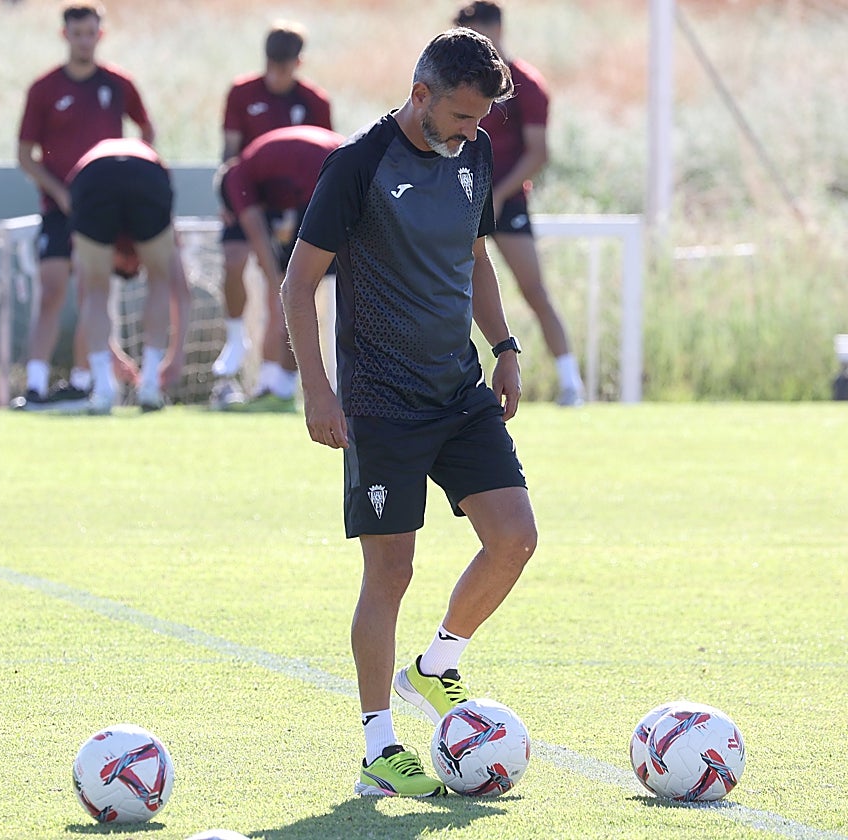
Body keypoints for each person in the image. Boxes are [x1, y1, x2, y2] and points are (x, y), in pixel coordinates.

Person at [281, 28, 537, 798]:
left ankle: (437, 664)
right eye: (461, 115)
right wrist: (317, 390)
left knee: (515, 538)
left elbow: (475, 257)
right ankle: (378, 749)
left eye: (481, 118)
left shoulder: (474, 154)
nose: (471, 131)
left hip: (459, 393)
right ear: (420, 93)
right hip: (381, 405)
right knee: (391, 572)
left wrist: (504, 345)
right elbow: (298, 284)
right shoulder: (356, 166)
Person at [14, 2, 155, 410]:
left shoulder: (118, 83)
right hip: (59, 208)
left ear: (100, 34)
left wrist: (129, 176)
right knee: (51, 289)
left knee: (93, 291)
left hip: (102, 208)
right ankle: (35, 384)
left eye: (90, 33)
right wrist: (60, 193)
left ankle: (82, 380)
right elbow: (25, 155)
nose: (83, 41)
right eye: (76, 34)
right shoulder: (44, 88)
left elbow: (146, 130)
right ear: (65, 36)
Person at [454, 1, 585, 406]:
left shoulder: (525, 83)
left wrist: (498, 194)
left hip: (506, 202)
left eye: (478, 31)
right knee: (450, 291)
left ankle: (571, 384)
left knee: (534, 290)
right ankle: (452, 384)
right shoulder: (455, 83)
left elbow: (538, 153)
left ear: (496, 28)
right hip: (460, 197)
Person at [213, 22, 333, 397]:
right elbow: (230, 155)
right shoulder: (242, 92)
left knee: (292, 288)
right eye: (272, 66)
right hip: (249, 191)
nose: (277, 75)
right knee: (238, 262)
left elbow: (325, 163)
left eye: (285, 67)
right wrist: (230, 199)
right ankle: (237, 337)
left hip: (299, 201)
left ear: (298, 63)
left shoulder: (315, 101)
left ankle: (280, 380)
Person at [216, 124, 345, 411]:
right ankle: (283, 384)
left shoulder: (236, 177)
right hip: (344, 161)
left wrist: (278, 286)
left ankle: (284, 387)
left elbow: (259, 237)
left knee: (296, 290)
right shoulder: (267, 169)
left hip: (326, 173)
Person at [66, 137, 190, 414]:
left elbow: (86, 296)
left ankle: (105, 389)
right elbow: (180, 290)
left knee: (98, 288)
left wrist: (176, 355)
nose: (136, 261)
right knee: (157, 279)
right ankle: (145, 385)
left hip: (94, 174)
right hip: (143, 172)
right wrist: (173, 353)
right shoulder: (157, 229)